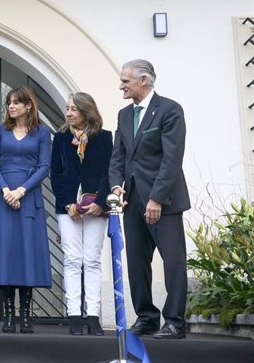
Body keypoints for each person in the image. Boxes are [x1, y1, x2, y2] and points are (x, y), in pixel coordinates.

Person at [109, 59, 190, 339]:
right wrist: (116, 187)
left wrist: (157, 198)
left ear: (144, 80)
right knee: (136, 262)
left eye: (126, 81)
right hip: (132, 201)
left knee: (174, 261)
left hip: (163, 201)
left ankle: (175, 322)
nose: (121, 86)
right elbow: (117, 156)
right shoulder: (123, 115)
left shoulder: (170, 110)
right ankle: (146, 317)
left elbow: (171, 159)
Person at [0, 87, 52, 334]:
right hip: (4, 199)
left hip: (28, 197)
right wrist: (5, 190)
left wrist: (21, 191)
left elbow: (44, 166)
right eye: (9, 103)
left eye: (16, 103)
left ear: (28, 106)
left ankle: (25, 314)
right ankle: (9, 315)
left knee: (26, 254)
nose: (11, 107)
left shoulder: (43, 132)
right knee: (5, 252)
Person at [50, 92, 112, 336]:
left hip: (96, 206)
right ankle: (74, 315)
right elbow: (56, 173)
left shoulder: (105, 138)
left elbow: (111, 171)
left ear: (87, 111)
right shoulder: (61, 138)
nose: (68, 113)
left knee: (92, 260)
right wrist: (67, 204)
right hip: (68, 208)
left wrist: (99, 201)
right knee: (73, 260)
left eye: (73, 109)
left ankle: (93, 316)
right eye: (67, 108)